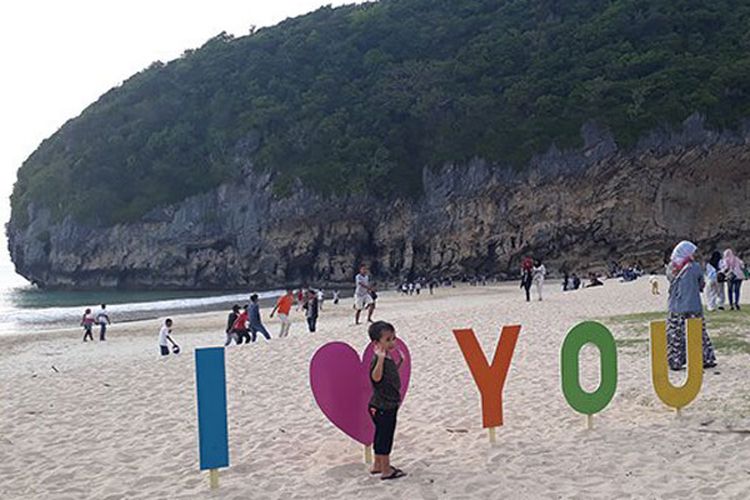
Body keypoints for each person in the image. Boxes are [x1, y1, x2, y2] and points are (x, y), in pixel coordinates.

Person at [665, 241, 717, 370]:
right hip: (693, 304)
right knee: (698, 333)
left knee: (676, 334)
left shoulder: (671, 267)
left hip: (675, 305)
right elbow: (701, 284)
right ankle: (705, 359)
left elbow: (670, 280)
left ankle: (675, 361)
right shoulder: (695, 267)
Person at [367, 321, 407, 481]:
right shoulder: (379, 358)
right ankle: (386, 469)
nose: (392, 342)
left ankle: (377, 465)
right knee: (385, 437)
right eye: (388, 339)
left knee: (379, 435)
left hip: (381, 404)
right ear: (376, 343)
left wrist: (400, 363)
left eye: (393, 338)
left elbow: (387, 377)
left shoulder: (386, 357)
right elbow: (375, 377)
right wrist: (382, 359)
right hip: (384, 405)